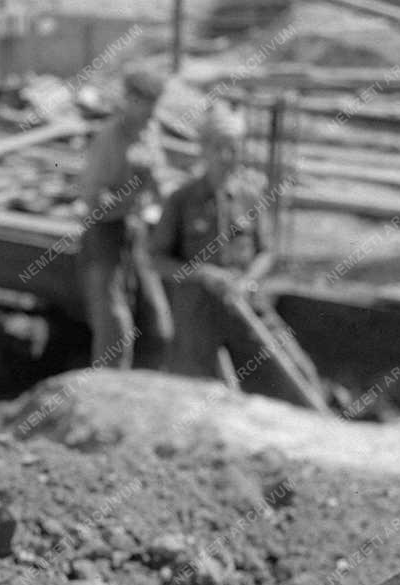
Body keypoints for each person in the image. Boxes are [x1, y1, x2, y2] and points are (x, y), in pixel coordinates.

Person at [150, 103, 288, 389]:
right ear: (204, 151)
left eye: (233, 148)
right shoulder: (181, 200)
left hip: (245, 305)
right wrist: (201, 274)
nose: (227, 157)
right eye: (218, 148)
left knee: (288, 371)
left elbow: (267, 251)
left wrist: (247, 281)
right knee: (191, 389)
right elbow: (157, 259)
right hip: (197, 312)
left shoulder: (250, 197)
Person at [77, 66, 174, 370]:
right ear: (130, 100)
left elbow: (161, 183)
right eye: (146, 103)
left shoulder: (149, 132)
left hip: (136, 235)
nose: (151, 111)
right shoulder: (109, 138)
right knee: (115, 334)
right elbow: (94, 200)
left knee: (159, 327)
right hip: (104, 237)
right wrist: (129, 197)